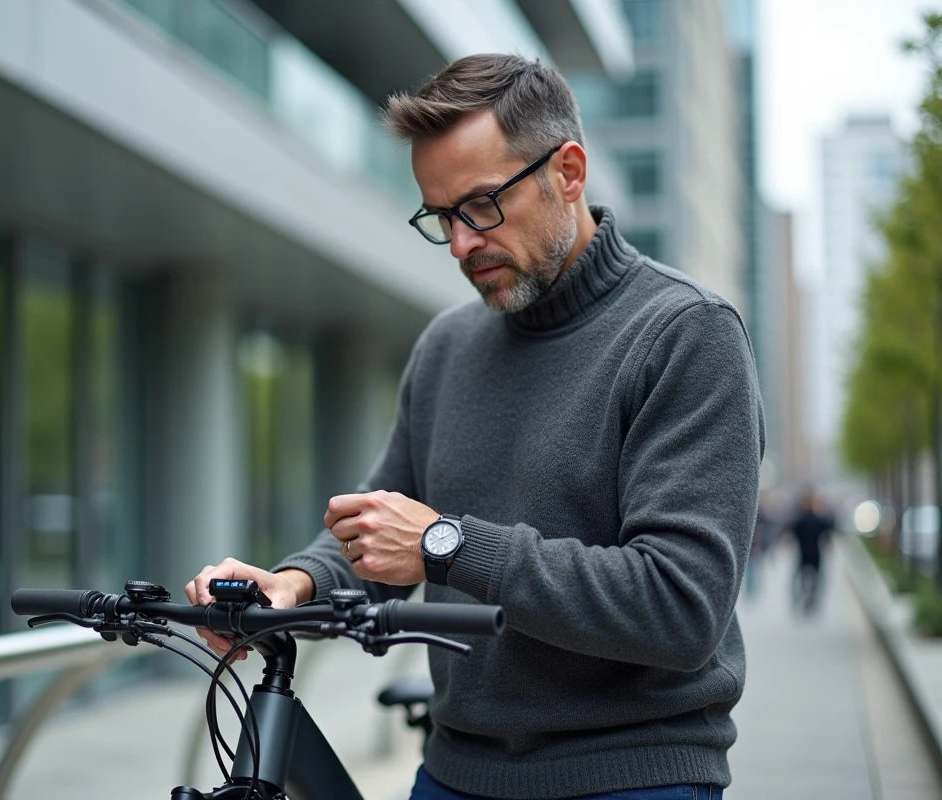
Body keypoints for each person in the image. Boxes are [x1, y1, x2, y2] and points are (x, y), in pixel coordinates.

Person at [185, 54, 763, 800]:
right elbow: (374, 523)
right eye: (440, 216)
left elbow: (681, 607)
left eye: (482, 206)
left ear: (570, 172)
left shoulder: (687, 333)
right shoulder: (447, 346)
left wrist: (443, 544)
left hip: (631, 778)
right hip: (454, 775)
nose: (460, 244)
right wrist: (288, 586)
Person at [788, 489, 835, 615]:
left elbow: (791, 534)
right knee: (816, 578)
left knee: (800, 578)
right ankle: (809, 599)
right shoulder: (815, 520)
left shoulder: (801, 520)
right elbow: (830, 530)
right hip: (812, 554)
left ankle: (801, 599)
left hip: (806, 554)